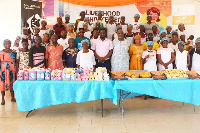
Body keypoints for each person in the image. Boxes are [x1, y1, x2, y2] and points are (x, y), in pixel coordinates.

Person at [0, 39, 17, 105]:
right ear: (4, 44)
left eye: (9, 43)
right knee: (3, 83)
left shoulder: (13, 52)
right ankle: (2, 99)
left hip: (12, 69)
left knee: (12, 83)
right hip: (4, 70)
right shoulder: (1, 52)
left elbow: (16, 60)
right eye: (6, 43)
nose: (8, 45)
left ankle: (13, 97)